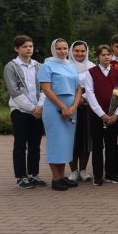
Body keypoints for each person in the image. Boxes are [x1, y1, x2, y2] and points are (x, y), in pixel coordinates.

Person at [38, 39, 83, 191]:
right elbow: (47, 90)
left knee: (65, 144)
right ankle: (55, 178)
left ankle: (62, 176)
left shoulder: (71, 66)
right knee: (55, 142)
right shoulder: (47, 65)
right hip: (54, 108)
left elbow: (78, 89)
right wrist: (63, 107)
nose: (62, 51)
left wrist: (74, 106)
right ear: (53, 49)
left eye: (65, 48)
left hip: (71, 109)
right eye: (59, 48)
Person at [83, 44, 118, 186]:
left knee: (112, 145)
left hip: (113, 116)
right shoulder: (91, 73)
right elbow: (89, 94)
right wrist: (101, 114)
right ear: (98, 57)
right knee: (97, 146)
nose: (106, 57)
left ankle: (112, 174)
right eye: (103, 55)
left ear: (112, 56)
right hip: (96, 115)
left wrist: (116, 114)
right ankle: (98, 176)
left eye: (109, 54)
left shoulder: (117, 73)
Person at [7, 36, 45, 189]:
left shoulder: (38, 66)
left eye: (30, 46)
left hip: (38, 111)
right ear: (17, 49)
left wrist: (40, 107)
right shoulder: (11, 66)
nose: (28, 49)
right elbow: (14, 91)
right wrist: (32, 108)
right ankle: (21, 177)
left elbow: (44, 87)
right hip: (20, 111)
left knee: (35, 145)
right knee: (20, 145)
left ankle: (33, 175)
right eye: (24, 47)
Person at [68, 41, 95, 182]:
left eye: (82, 51)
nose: (79, 54)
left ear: (87, 51)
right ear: (71, 52)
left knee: (86, 139)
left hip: (86, 106)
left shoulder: (92, 67)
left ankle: (83, 170)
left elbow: (94, 87)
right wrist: (74, 101)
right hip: (69, 106)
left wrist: (82, 98)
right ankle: (73, 171)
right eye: (76, 51)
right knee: (72, 139)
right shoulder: (65, 66)